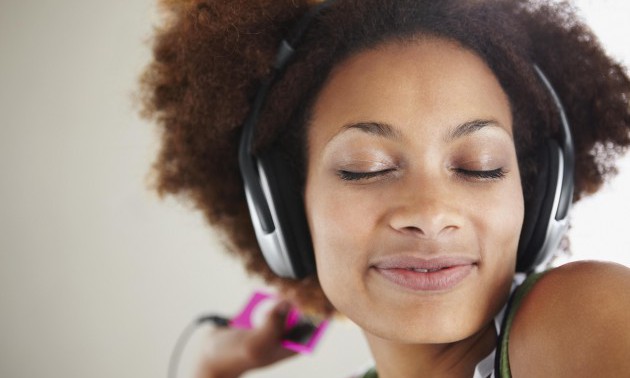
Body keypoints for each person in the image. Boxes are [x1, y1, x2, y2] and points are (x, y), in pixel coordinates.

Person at [140, 0, 630, 376]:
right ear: (285, 208)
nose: (431, 211)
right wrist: (215, 367)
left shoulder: (583, 316)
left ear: (541, 197)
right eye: (366, 169)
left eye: (480, 168)